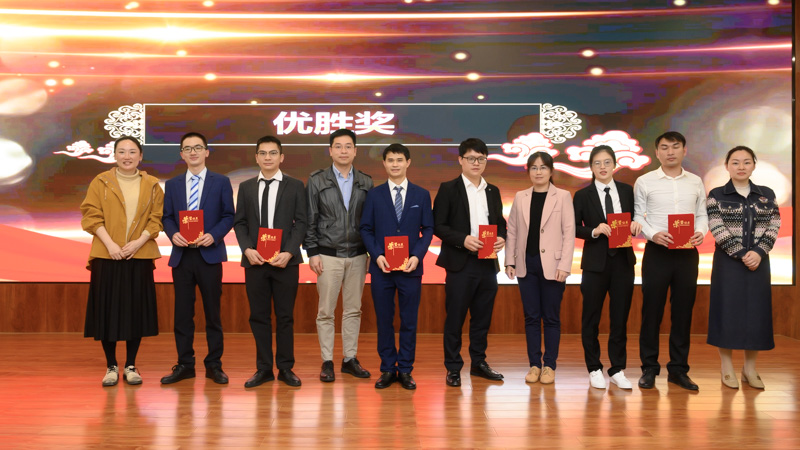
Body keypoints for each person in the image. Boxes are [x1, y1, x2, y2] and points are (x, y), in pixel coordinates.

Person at [80, 135, 163, 386]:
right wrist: (111, 245)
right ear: (114, 155)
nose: (127, 156)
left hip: (139, 255)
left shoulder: (152, 184)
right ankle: (111, 366)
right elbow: (91, 215)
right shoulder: (100, 181)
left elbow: (156, 218)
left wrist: (138, 243)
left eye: (132, 151)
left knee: (135, 312)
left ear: (140, 156)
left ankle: (131, 365)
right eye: (122, 151)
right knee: (107, 312)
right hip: (107, 254)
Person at [633, 131, 708, 391]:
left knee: (683, 312)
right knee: (651, 311)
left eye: (675, 147)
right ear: (657, 153)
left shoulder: (696, 181)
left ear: (684, 150)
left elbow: (702, 214)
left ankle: (678, 370)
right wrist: (653, 234)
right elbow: (637, 216)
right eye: (664, 147)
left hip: (687, 253)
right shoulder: (644, 181)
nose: (670, 152)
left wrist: (701, 231)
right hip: (657, 252)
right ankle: (649, 368)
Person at [160, 132, 235, 385]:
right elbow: (167, 217)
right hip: (182, 256)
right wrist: (173, 234)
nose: (193, 152)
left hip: (209, 255)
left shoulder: (221, 181)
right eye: (188, 148)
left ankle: (214, 365)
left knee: (213, 314)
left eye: (198, 147)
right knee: (182, 314)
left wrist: (214, 235)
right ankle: (185, 364)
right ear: (181, 154)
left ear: (206, 152)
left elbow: (229, 215)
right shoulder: (172, 184)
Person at [234, 136, 308, 387]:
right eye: (263, 153)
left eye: (273, 153)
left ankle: (286, 368)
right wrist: (247, 249)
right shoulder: (246, 187)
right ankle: (264, 368)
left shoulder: (295, 185)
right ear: (256, 157)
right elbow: (240, 223)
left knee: (285, 316)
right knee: (259, 316)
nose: (268, 157)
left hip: (286, 262)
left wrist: (289, 252)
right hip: (255, 262)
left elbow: (302, 222)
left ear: (281, 157)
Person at [359, 143, 434, 390]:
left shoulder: (421, 194)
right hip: (382, 269)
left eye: (399, 160)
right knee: (384, 320)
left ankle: (406, 370)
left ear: (408, 163)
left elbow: (428, 229)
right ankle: (388, 369)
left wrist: (417, 256)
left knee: (409, 321)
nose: (395, 164)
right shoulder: (374, 195)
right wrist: (377, 255)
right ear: (384, 163)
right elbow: (365, 228)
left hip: (411, 268)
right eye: (390, 160)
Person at [434, 137, 507, 387]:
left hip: (487, 262)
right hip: (460, 263)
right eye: (471, 158)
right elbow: (438, 225)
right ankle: (453, 367)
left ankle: (478, 363)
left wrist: (502, 237)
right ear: (460, 160)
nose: (476, 163)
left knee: (482, 318)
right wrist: (462, 239)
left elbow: (500, 223)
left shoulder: (493, 191)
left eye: (481, 158)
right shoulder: (448, 189)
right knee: (455, 318)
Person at [706, 146, 780, 389]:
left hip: (759, 261)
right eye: (735, 162)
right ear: (727, 166)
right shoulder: (717, 194)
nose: (741, 167)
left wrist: (758, 252)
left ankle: (750, 368)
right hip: (728, 262)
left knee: (756, 314)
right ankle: (726, 367)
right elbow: (716, 227)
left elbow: (774, 225)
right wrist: (741, 253)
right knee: (726, 311)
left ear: (754, 165)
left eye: (746, 162)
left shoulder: (766, 194)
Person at [305, 128, 373, 382]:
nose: (343, 151)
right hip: (327, 254)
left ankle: (349, 359)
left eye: (348, 146)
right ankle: (327, 361)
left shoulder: (366, 181)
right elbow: (310, 218)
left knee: (353, 310)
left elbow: (371, 221)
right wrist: (312, 252)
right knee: (326, 311)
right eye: (338, 146)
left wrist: (371, 251)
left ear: (355, 151)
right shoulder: (316, 180)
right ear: (330, 151)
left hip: (358, 255)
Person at [573, 145, 641, 389]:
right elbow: (573, 227)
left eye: (607, 162)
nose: (602, 167)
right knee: (590, 317)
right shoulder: (582, 195)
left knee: (619, 318)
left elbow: (638, 216)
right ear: (591, 167)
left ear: (615, 165)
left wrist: (636, 224)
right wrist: (594, 230)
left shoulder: (627, 191)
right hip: (595, 264)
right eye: (597, 163)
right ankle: (594, 368)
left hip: (623, 262)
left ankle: (617, 368)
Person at [505, 151, 575, 384]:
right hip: (526, 264)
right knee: (531, 317)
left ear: (551, 171)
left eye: (543, 167)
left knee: (551, 318)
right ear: (528, 171)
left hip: (554, 266)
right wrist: (510, 260)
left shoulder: (562, 196)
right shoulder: (520, 196)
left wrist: (565, 265)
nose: (538, 172)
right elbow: (512, 230)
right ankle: (534, 365)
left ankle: (550, 366)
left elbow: (569, 233)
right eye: (534, 167)